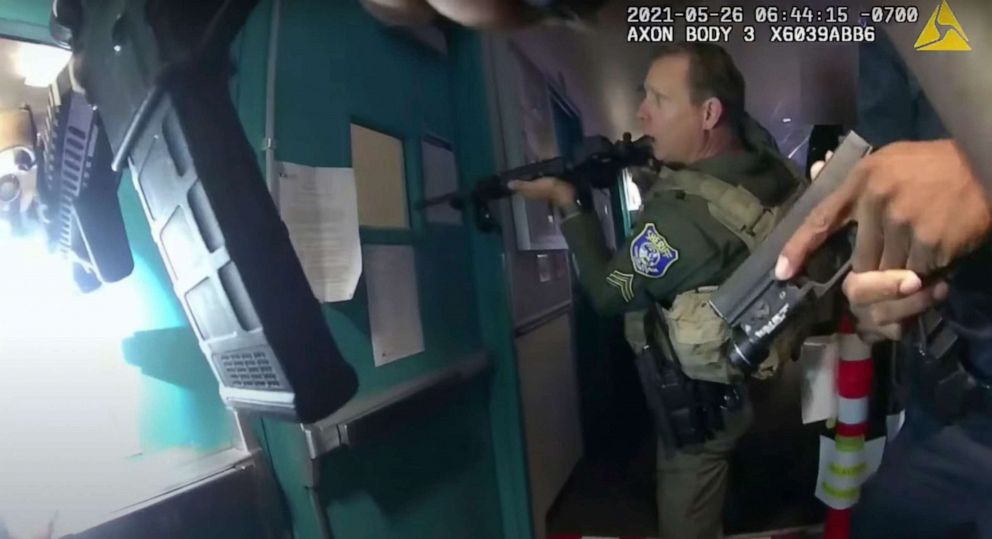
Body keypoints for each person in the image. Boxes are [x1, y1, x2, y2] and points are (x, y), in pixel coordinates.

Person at [510, 42, 804, 539]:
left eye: (658, 100)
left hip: (699, 405)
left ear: (709, 113)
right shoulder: (761, 157)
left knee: (685, 510)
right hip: (746, 376)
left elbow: (606, 294)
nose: (643, 111)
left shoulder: (678, 220)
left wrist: (569, 203)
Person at [777, 29, 992, 539]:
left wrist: (976, 171)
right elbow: (890, 170)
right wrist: (872, 271)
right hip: (943, 389)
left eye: (657, 98)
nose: (644, 111)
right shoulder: (893, 28)